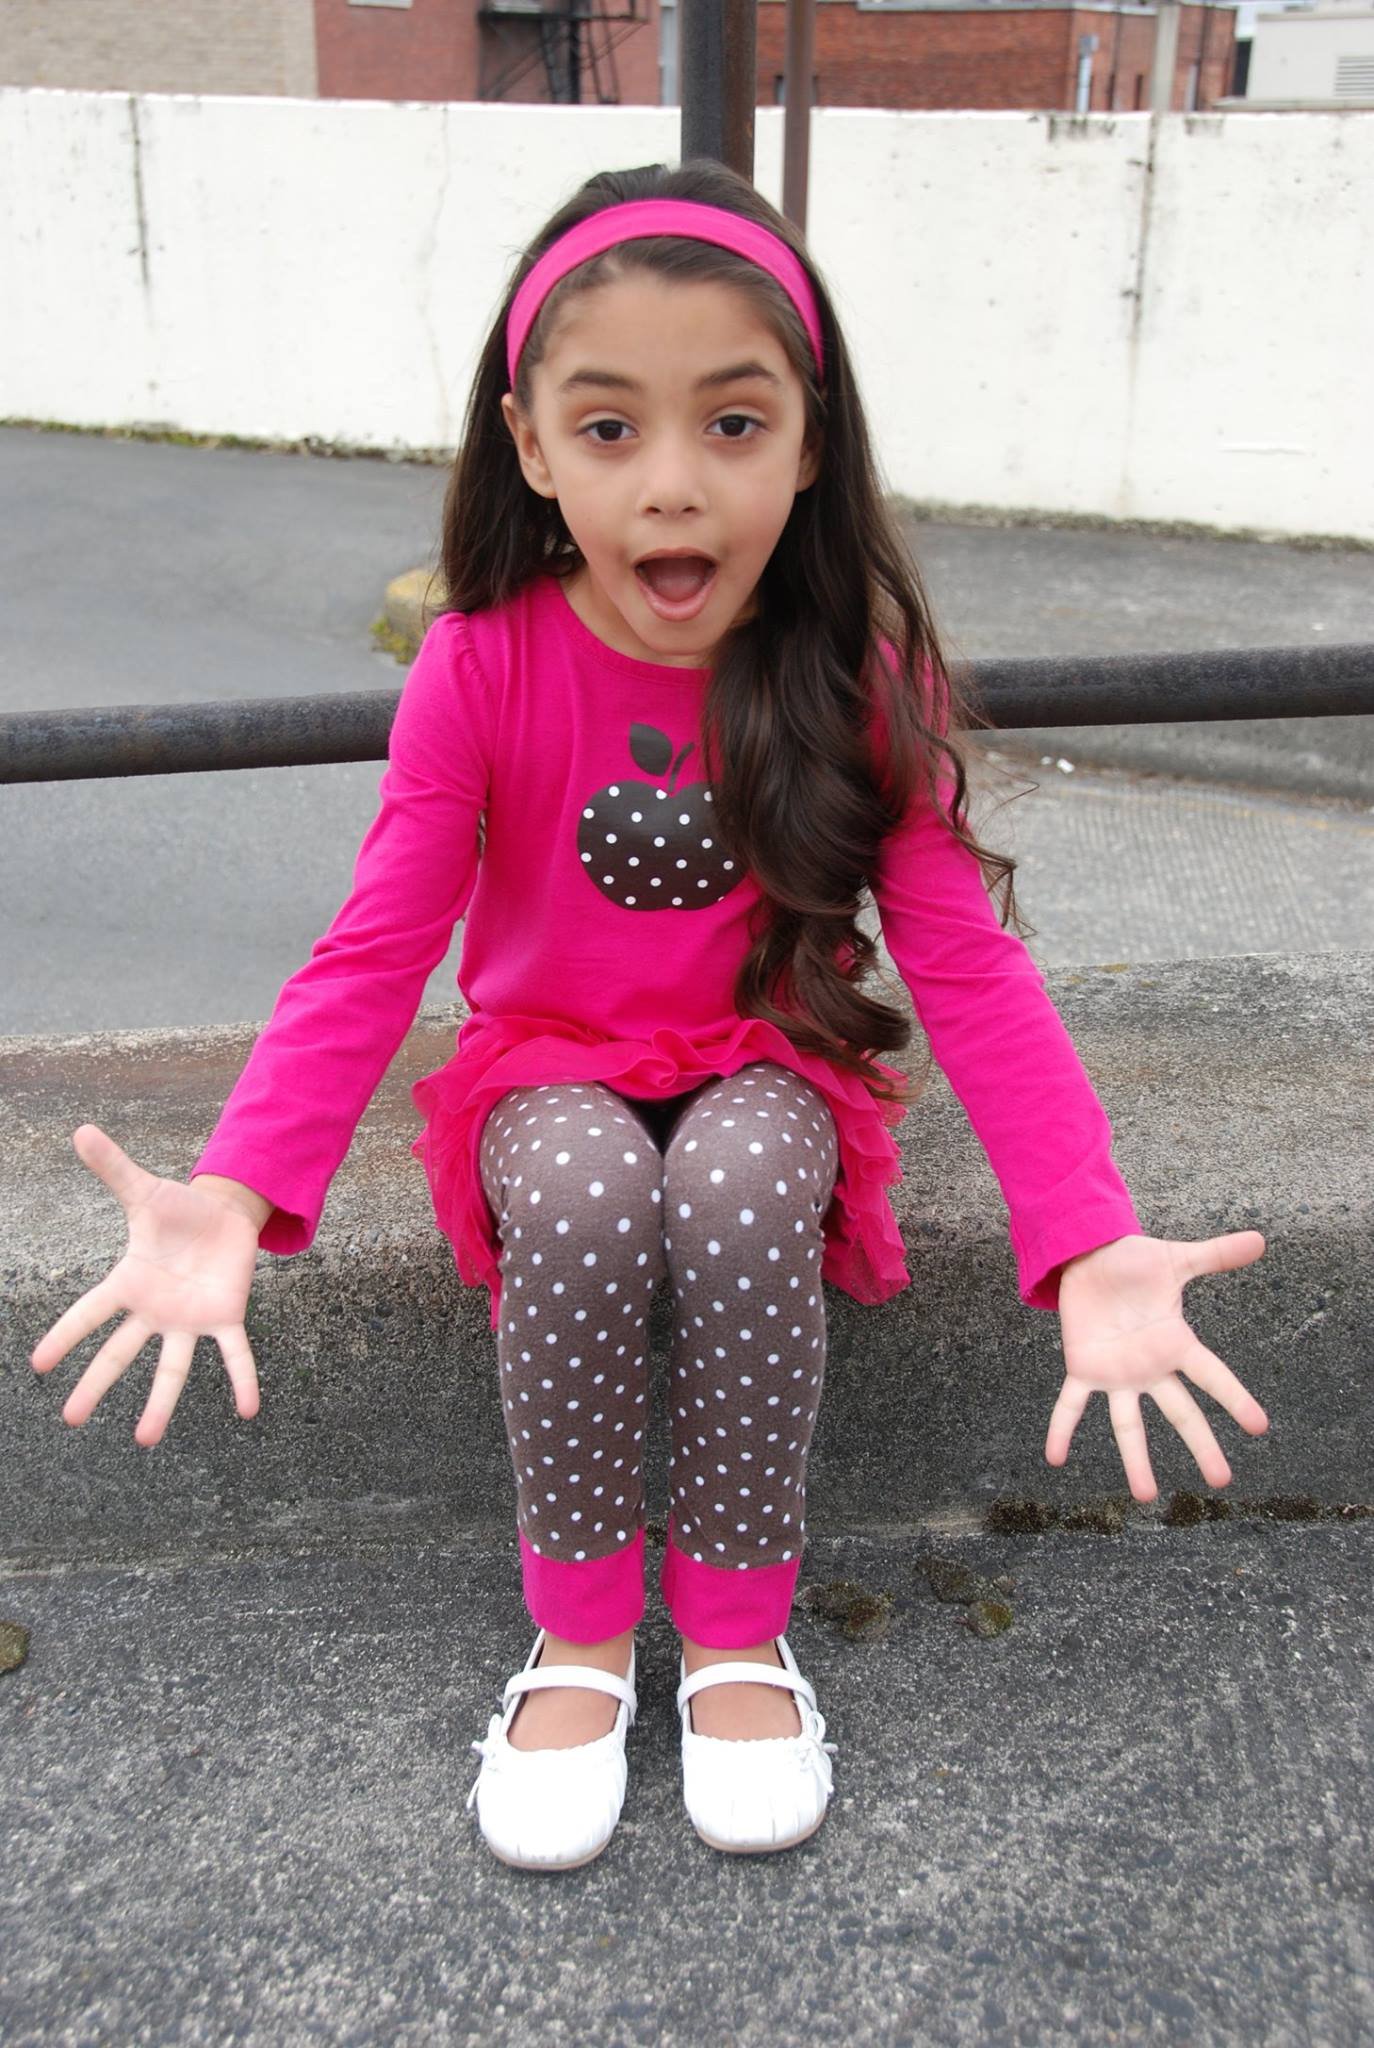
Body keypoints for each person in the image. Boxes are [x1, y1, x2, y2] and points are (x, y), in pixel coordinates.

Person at [29, 158, 1270, 1873]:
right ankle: (585, 1637)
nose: (673, 488)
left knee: (745, 1177)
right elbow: (377, 942)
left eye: (733, 424)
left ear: (811, 441)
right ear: (530, 448)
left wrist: (1086, 1228)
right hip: (546, 1072)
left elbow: (964, 964)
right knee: (591, 1187)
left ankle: (745, 1629)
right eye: (609, 429)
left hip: (770, 1062)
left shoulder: (852, 674)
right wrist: (237, 1185)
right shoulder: (480, 661)